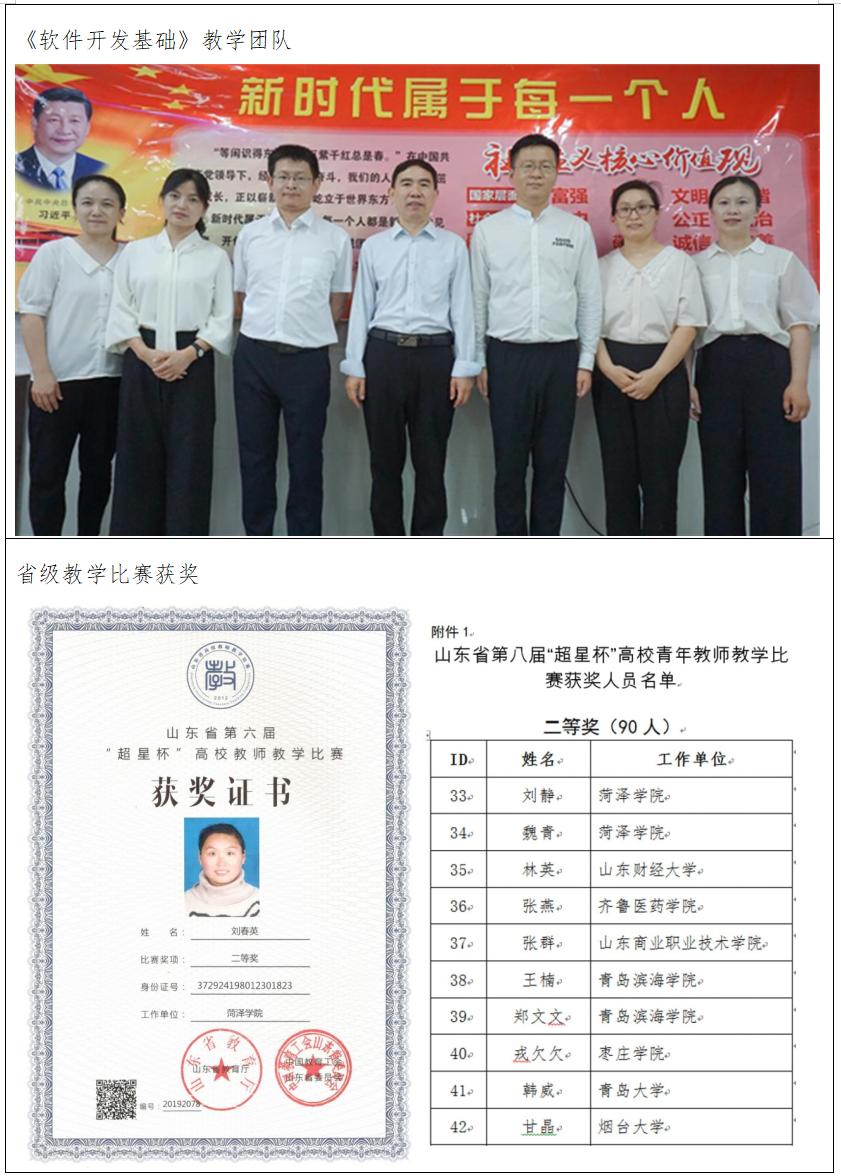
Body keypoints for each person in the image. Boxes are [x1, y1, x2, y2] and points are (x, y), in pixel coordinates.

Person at [470, 132, 601, 536]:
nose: (536, 174)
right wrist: (480, 360)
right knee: (508, 465)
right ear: (511, 173)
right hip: (506, 357)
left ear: (557, 173)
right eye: (527, 166)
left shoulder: (576, 229)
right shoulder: (489, 230)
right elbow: (478, 299)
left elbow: (589, 298)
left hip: (560, 359)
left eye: (545, 166)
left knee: (552, 464)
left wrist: (585, 361)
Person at [341, 160, 478, 536]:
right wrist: (354, 366)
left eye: (423, 184)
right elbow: (362, 308)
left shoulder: (453, 247)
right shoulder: (375, 247)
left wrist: (464, 367)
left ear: (435, 194)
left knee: (431, 464)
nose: (414, 191)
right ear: (392, 192)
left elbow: (463, 308)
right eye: (406, 184)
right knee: (384, 465)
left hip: (435, 360)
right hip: (382, 357)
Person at [105, 168, 233, 536]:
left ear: (204, 208)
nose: (182, 205)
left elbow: (222, 317)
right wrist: (144, 353)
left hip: (193, 362)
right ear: (162, 200)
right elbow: (121, 309)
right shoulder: (136, 252)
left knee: (190, 460)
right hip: (141, 360)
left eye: (193, 199)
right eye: (175, 196)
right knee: (137, 456)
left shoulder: (215, 258)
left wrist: (189, 354)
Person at [233, 144, 352, 536]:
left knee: (306, 459)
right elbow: (241, 296)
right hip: (253, 357)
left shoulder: (335, 238)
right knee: (254, 456)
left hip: (307, 361)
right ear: (269, 181)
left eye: (301, 178)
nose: (291, 185)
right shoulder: (250, 235)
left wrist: (304, 331)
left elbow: (337, 301)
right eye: (283, 176)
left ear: (317, 184)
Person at [693, 176, 819, 536]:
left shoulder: (781, 261)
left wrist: (799, 383)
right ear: (711, 210)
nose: (733, 210)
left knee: (776, 470)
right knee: (720, 472)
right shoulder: (696, 265)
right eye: (724, 203)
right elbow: (688, 330)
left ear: (758, 210)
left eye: (742, 202)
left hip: (770, 367)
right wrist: (688, 383)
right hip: (715, 367)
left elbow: (799, 325)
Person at [593, 181, 706, 535]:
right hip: (612, 371)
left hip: (665, 370)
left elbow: (688, 324)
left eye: (643, 207)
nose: (634, 215)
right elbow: (588, 323)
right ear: (614, 218)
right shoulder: (600, 267)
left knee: (662, 481)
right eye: (625, 209)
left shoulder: (680, 263)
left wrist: (656, 374)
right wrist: (607, 368)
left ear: (657, 214)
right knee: (618, 478)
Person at [19, 174, 126, 535]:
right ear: (75, 208)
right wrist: (41, 373)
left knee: (98, 474)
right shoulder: (54, 254)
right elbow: (32, 314)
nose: (97, 211)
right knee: (48, 476)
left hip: (111, 383)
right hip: (56, 384)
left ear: (121, 212)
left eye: (107, 204)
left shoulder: (130, 258)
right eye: (88, 203)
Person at [16, 87, 105, 191]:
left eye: (74, 121)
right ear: (35, 124)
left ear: (88, 127)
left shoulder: (100, 170)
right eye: (54, 120)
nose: (64, 130)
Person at [184, 823, 260, 918]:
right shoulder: (184, 902)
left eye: (229, 853)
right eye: (212, 853)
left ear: (243, 857)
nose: (221, 863)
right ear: (200, 858)